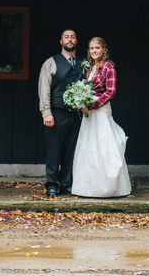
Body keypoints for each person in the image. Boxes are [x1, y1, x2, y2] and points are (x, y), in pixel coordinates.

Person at [71, 37, 131, 198]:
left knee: (103, 146)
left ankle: (107, 187)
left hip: (101, 111)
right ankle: (88, 187)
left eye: (97, 48)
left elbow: (110, 91)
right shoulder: (90, 68)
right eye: (91, 48)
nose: (94, 51)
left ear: (104, 49)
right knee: (89, 146)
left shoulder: (108, 67)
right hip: (88, 114)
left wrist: (90, 105)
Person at [38, 29, 85, 197]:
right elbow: (44, 89)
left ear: (77, 41)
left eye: (73, 37)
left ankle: (66, 184)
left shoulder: (82, 63)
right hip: (56, 113)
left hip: (75, 115)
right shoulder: (51, 62)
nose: (70, 40)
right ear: (61, 41)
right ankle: (51, 184)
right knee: (54, 150)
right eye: (66, 37)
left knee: (70, 151)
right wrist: (46, 112)